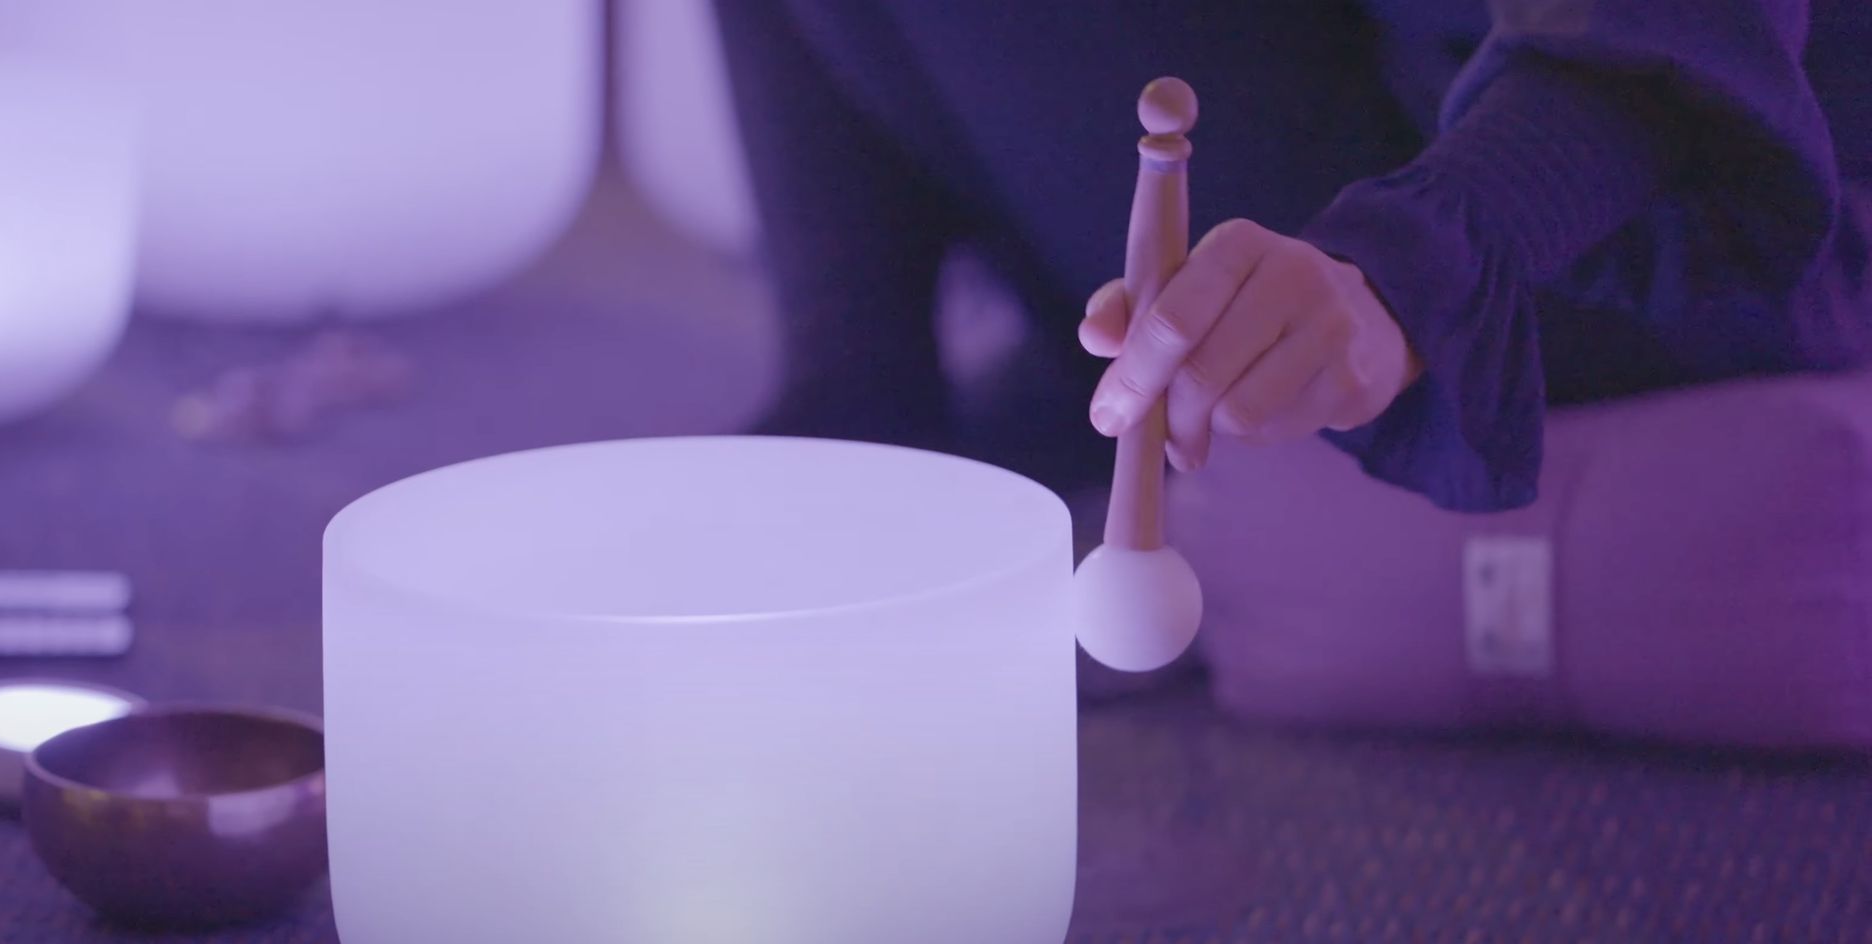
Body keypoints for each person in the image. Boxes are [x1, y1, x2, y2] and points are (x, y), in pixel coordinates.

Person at [714, 1, 1872, 512]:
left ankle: (875, 414)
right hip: (1385, 80)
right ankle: (857, 404)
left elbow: (1671, 51)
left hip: (1646, 211)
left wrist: (1400, 271)